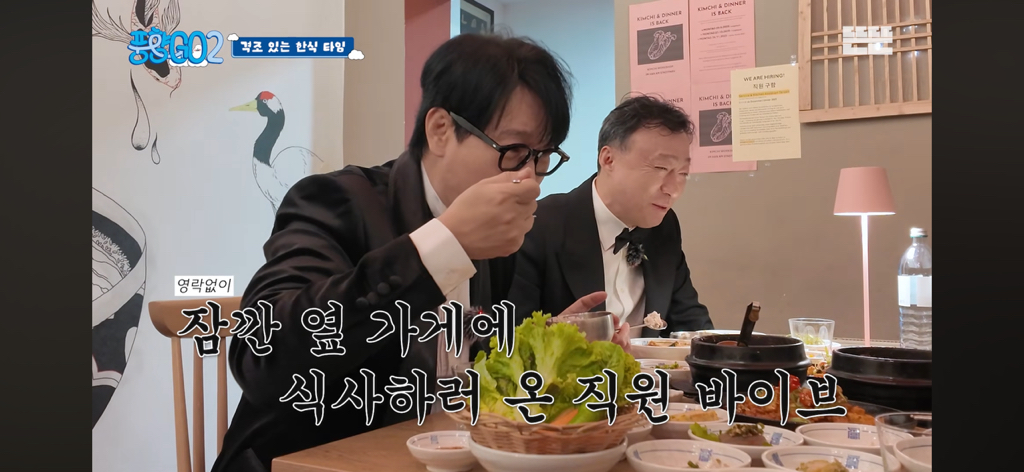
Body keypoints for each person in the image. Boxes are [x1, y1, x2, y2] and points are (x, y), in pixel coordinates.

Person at [211, 34, 606, 472]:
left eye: (542, 156)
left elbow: (464, 365)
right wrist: (444, 245)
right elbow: (261, 355)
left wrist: (545, 346)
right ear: (441, 130)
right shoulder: (337, 201)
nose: (530, 178)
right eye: (514, 151)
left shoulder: (495, 237)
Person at [508, 94, 715, 347]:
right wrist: (555, 340)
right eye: (661, 168)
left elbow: (691, 323)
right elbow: (507, 342)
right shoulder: (539, 226)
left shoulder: (665, 226)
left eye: (683, 173)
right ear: (608, 159)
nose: (673, 189)